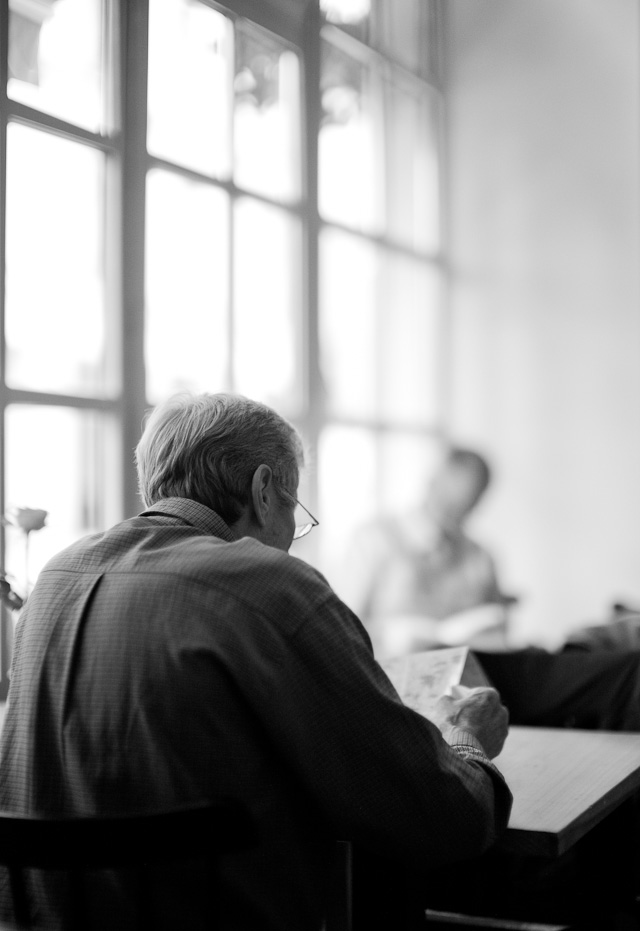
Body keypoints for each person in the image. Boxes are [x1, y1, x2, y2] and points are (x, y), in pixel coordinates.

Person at [0, 392, 511, 931]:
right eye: (295, 509)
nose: (292, 535)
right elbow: (439, 818)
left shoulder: (59, 575)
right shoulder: (268, 583)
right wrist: (464, 741)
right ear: (264, 490)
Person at [341, 446, 516, 659]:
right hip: (385, 678)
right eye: (449, 501)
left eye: (467, 505)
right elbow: (341, 629)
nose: (456, 514)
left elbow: (498, 634)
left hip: (466, 683)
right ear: (431, 483)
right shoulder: (373, 540)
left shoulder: (480, 558)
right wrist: (386, 638)